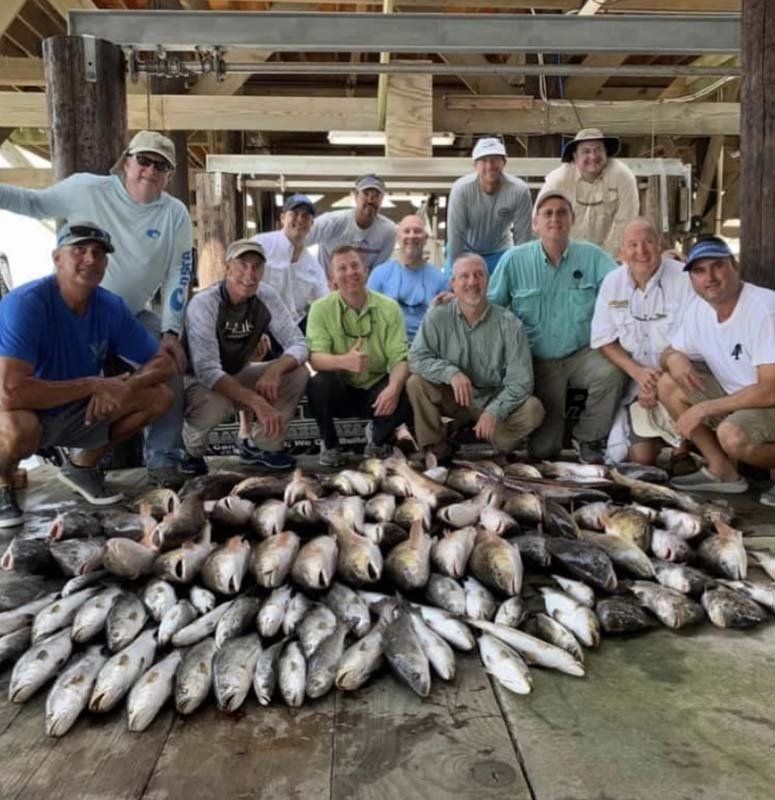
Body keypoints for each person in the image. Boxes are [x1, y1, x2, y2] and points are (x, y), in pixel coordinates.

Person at [0, 130, 195, 487]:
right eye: (144, 160)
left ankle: (163, 457)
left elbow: (179, 273)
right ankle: (10, 472)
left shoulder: (175, 213)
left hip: (127, 313)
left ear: (169, 174)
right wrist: (97, 385)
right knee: (22, 404)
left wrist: (171, 330)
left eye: (162, 166)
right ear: (126, 161)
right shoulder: (86, 188)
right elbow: (32, 203)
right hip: (72, 308)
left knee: (170, 366)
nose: (151, 170)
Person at [0, 222, 175, 526]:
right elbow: (10, 392)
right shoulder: (25, 304)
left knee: (159, 396)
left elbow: (165, 363)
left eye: (99, 253)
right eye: (79, 250)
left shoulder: (111, 306)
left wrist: (125, 387)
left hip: (79, 410)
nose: (90, 259)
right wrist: (93, 385)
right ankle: (3, 482)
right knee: (16, 428)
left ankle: (81, 467)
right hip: (25, 409)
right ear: (57, 258)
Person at [488, 188, 626, 464]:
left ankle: (589, 438)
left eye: (562, 213)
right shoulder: (514, 260)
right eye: (547, 213)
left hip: (581, 354)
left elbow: (623, 286)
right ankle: (550, 439)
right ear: (535, 223)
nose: (555, 218)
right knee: (544, 451)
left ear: (572, 220)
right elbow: (492, 307)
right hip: (537, 361)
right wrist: (457, 300)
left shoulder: (593, 256)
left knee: (611, 372)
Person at [657, 236, 775, 505]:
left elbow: (770, 390)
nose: (709, 277)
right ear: (691, 279)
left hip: (768, 401)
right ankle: (722, 471)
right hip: (741, 400)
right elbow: (667, 352)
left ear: (735, 265)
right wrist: (673, 358)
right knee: (668, 384)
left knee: (732, 435)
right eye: (699, 271)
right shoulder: (700, 310)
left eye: (717, 266)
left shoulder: (764, 309)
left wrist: (703, 409)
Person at [182, 239, 309, 472]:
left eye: (257, 266)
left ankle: (265, 447)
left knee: (297, 373)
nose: (250, 274)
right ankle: (190, 451)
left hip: (237, 373)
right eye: (242, 264)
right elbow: (207, 371)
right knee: (217, 404)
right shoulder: (204, 303)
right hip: (196, 382)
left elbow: (299, 344)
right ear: (227, 267)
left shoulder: (266, 296)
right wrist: (256, 402)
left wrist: (275, 370)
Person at [408, 254, 544, 459]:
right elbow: (416, 358)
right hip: (454, 397)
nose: (472, 282)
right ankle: (435, 447)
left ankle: (484, 437)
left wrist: (494, 411)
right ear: (453, 284)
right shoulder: (437, 317)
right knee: (416, 383)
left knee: (533, 409)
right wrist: (451, 374)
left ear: (487, 281)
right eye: (464, 276)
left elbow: (521, 382)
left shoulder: (510, 324)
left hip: (494, 398)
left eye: (479, 275)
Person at [591, 217, 695, 465]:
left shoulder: (684, 278)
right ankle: (666, 439)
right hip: (638, 384)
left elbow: (696, 339)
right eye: (633, 244)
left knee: (676, 390)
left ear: (659, 244)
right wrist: (637, 374)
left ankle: (684, 448)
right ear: (622, 252)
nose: (641, 251)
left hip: (678, 377)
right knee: (640, 459)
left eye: (648, 242)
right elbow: (604, 339)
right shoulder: (612, 282)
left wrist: (661, 381)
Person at [306, 245, 414, 465]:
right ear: (332, 278)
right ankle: (330, 445)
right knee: (317, 382)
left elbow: (400, 358)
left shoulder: (390, 308)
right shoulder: (319, 309)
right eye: (342, 268)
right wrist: (343, 361)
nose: (350, 272)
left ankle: (377, 440)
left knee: (406, 385)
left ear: (365, 270)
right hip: (341, 389)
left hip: (376, 389)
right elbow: (315, 358)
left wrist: (393, 389)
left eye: (355, 266)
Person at [542, 128, 639, 259]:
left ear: (606, 152)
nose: (593, 156)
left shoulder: (623, 176)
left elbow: (627, 220)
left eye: (598, 150)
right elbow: (542, 220)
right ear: (575, 156)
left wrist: (605, 258)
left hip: (611, 255)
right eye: (586, 151)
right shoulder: (558, 179)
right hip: (566, 254)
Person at [445, 137, 532, 275]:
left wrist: (521, 273)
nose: (490, 165)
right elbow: (456, 235)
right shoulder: (461, 189)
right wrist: (457, 272)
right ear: (475, 165)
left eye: (495, 159)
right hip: (465, 250)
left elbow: (523, 239)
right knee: (453, 284)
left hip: (500, 252)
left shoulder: (519, 190)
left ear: (504, 162)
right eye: (483, 160)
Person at [367, 214, 449, 340]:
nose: (412, 236)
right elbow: (367, 317)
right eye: (406, 231)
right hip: (387, 345)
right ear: (398, 237)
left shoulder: (440, 279)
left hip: (427, 346)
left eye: (417, 231)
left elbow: (446, 324)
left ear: (425, 238)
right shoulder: (379, 274)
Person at [253, 193, 328, 329]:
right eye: (294, 214)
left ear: (312, 223)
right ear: (282, 218)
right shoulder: (260, 244)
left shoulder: (314, 268)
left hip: (293, 331)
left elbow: (324, 303)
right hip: (258, 325)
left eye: (306, 216)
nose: (300, 219)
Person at [307, 174, 396, 273]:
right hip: (326, 281)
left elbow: (379, 272)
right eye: (366, 194)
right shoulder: (331, 221)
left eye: (376, 196)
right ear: (356, 196)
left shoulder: (389, 231)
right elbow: (298, 240)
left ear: (382, 199)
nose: (370, 200)